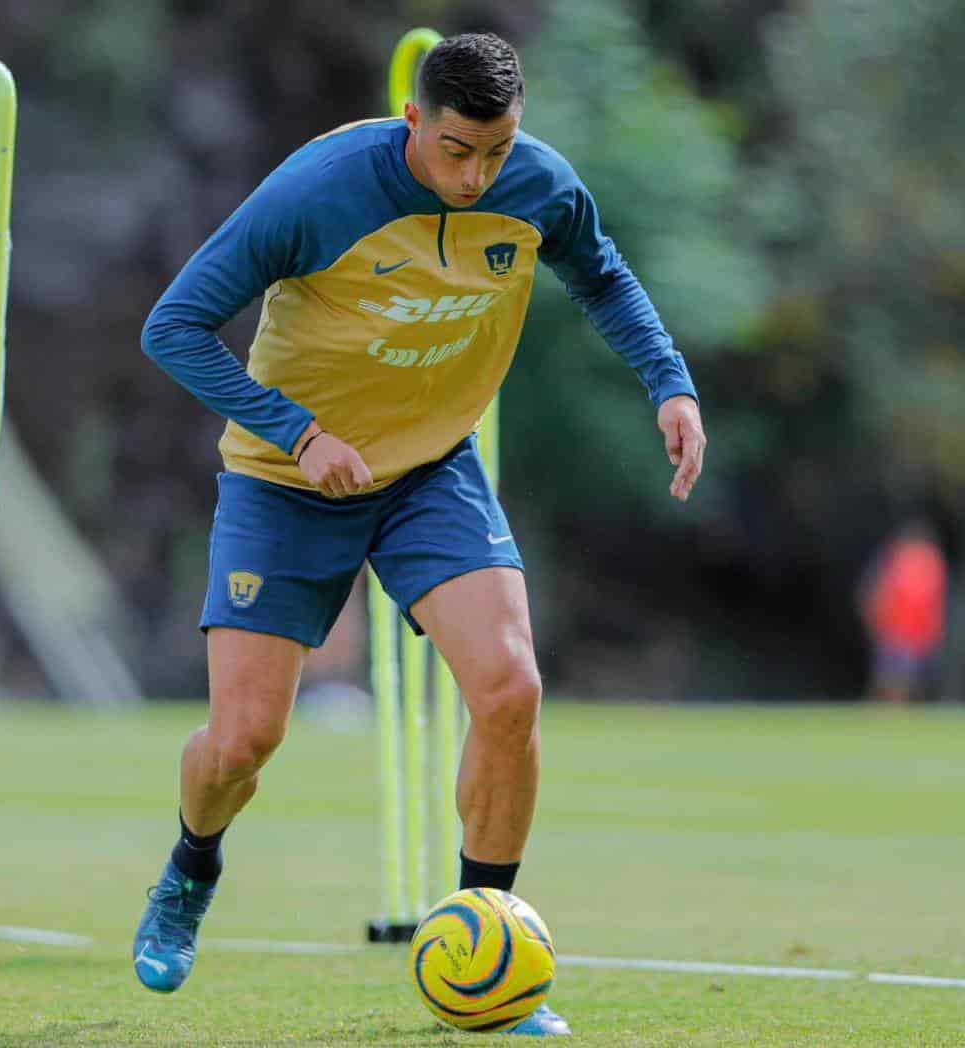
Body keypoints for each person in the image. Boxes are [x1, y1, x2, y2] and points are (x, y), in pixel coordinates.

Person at [135, 33, 706, 1036]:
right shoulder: (315, 190)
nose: (474, 174)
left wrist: (667, 380)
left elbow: (601, 273)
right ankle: (189, 868)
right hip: (286, 478)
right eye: (454, 150)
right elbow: (172, 327)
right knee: (242, 740)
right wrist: (298, 433)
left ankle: (487, 947)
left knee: (509, 688)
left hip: (430, 468)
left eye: (493, 151)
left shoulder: (536, 184)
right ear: (411, 120)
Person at [859, 522, 948, 704]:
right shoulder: (899, 559)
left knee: (908, 684)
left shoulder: (929, 561)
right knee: (893, 683)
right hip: (900, 636)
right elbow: (875, 597)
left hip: (914, 637)